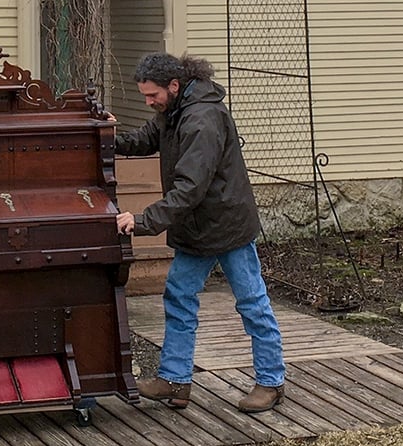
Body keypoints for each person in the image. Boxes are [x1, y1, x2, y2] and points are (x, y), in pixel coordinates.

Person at [113, 53, 286, 413]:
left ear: (174, 86)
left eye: (152, 96)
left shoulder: (202, 120)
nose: (149, 102)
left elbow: (190, 188)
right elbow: (145, 139)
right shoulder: (174, 112)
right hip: (195, 227)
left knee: (252, 303)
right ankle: (175, 382)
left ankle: (271, 382)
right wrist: (104, 133)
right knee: (178, 300)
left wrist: (143, 221)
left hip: (227, 226)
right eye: (145, 96)